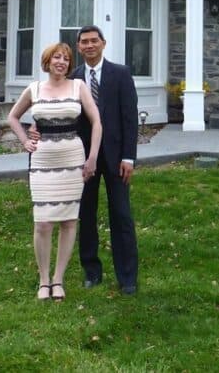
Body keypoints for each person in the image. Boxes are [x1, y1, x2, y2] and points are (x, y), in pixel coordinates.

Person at [8, 43, 102, 301]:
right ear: (47, 61)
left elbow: (96, 121)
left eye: (66, 58)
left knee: (70, 220)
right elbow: (12, 117)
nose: (61, 61)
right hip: (42, 161)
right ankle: (43, 280)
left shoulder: (78, 87)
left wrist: (92, 157)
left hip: (72, 157)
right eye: (56, 57)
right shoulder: (34, 89)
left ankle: (58, 279)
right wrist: (25, 140)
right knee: (43, 223)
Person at [73, 25, 140, 295]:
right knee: (85, 215)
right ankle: (91, 271)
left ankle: (127, 278)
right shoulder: (74, 78)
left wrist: (128, 157)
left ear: (103, 43)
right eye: (84, 42)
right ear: (78, 47)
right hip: (84, 159)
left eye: (94, 41)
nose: (89, 46)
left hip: (115, 158)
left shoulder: (120, 74)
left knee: (121, 215)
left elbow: (129, 118)